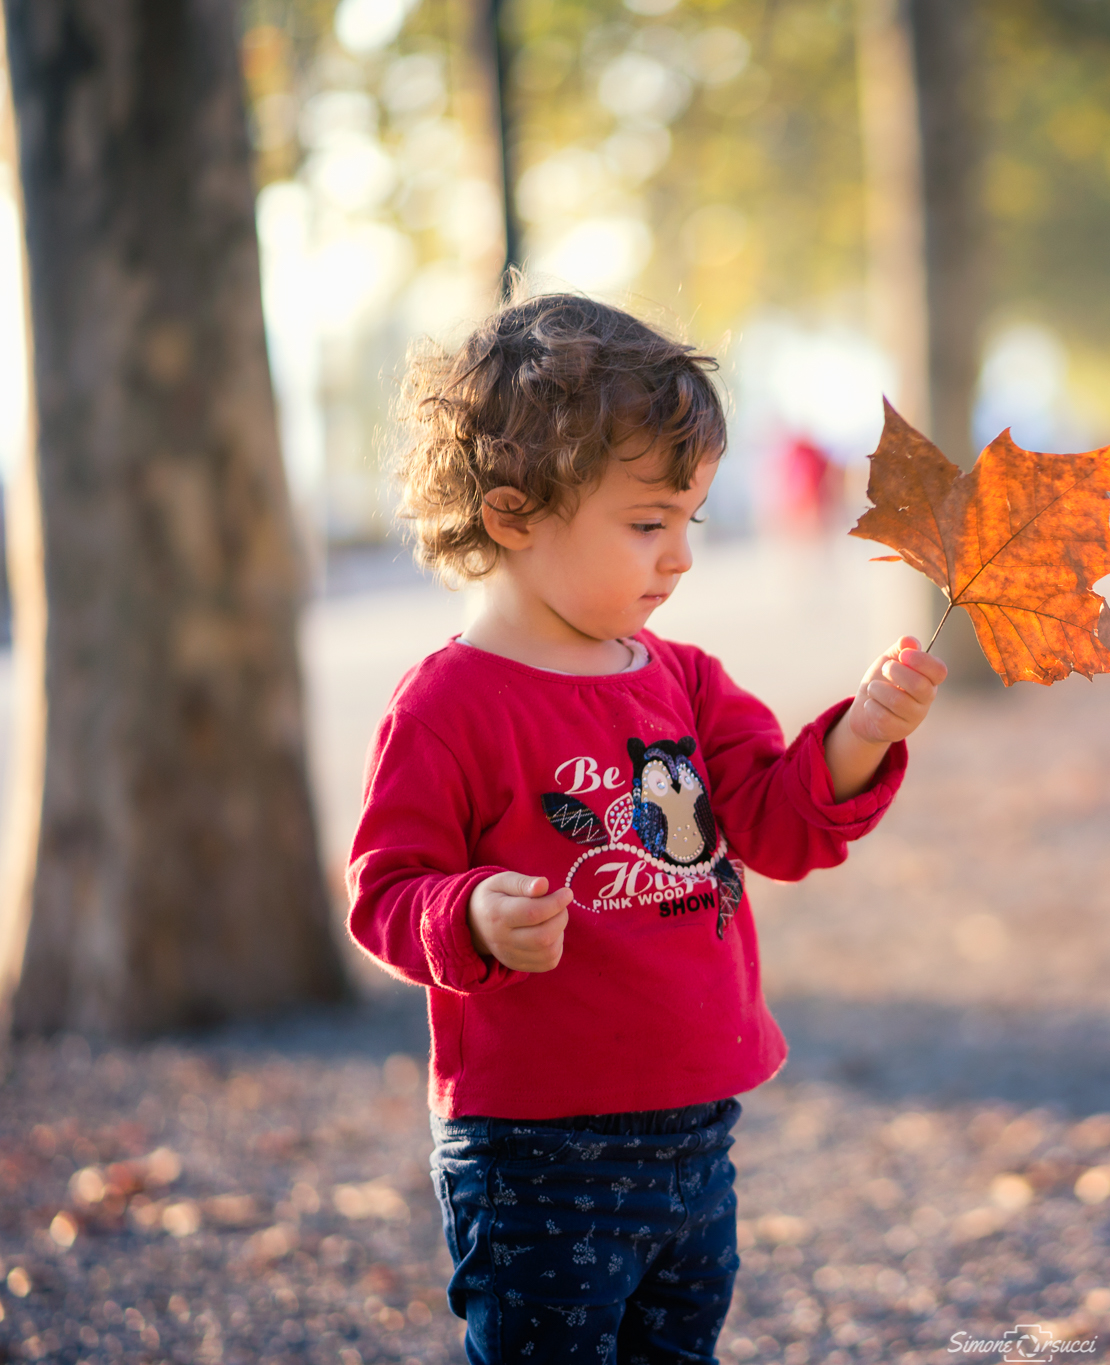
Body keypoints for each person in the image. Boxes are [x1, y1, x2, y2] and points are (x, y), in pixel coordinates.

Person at [347, 293, 946, 1364]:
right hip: (534, 1153)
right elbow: (387, 892)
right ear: (512, 514)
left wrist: (859, 735)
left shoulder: (684, 680)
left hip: (696, 1130)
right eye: (645, 524)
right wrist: (470, 913)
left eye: (689, 522)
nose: (678, 558)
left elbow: (776, 824)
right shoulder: (447, 707)